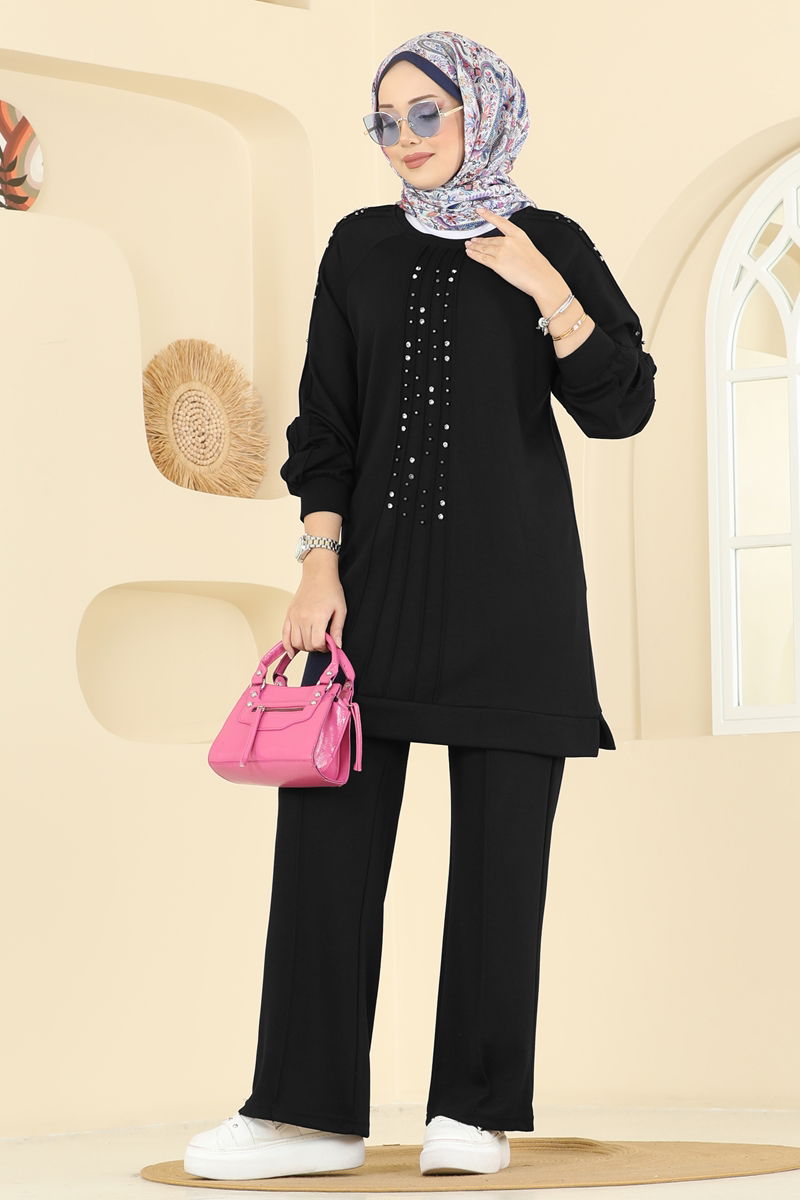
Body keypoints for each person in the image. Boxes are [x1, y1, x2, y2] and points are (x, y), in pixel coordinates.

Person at [184, 29, 657, 1184]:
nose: (403, 139)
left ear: (480, 111)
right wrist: (317, 560)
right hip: (371, 595)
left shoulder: (550, 243)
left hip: (516, 599)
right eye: (384, 120)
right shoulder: (358, 246)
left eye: (425, 114)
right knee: (324, 858)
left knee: (501, 865)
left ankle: (471, 1115)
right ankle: (305, 1118)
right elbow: (326, 420)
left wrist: (546, 291)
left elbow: (621, 406)